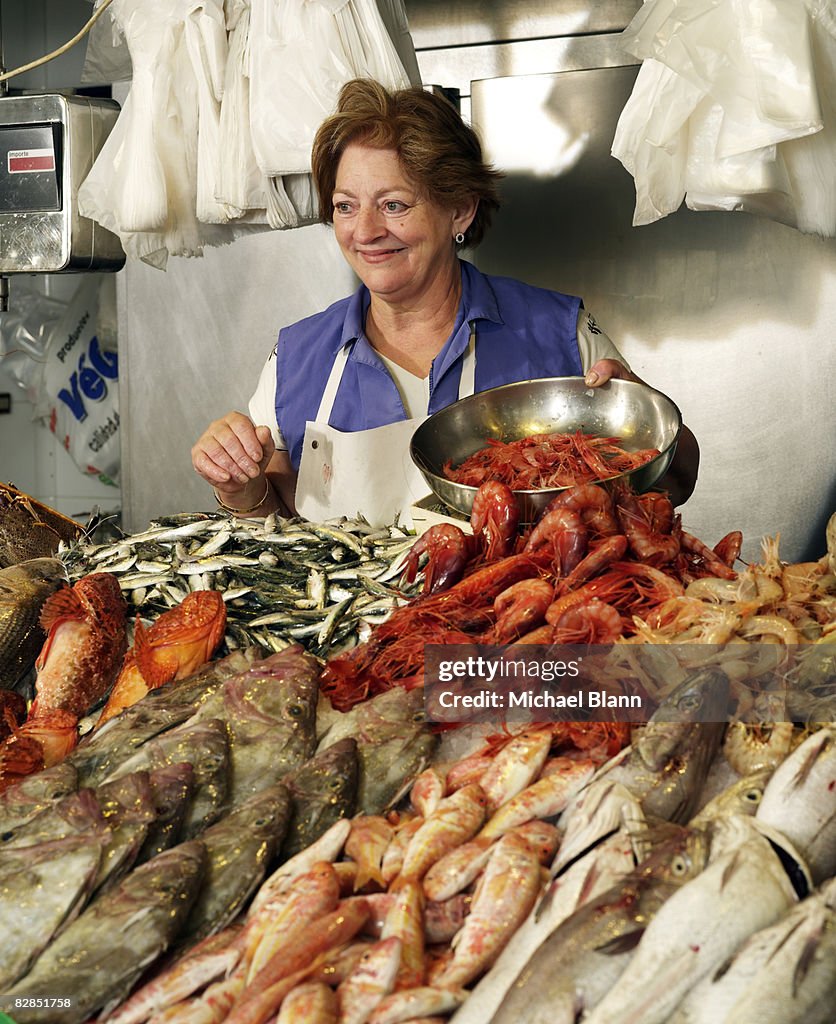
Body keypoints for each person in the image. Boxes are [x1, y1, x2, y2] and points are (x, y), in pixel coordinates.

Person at [192, 78, 699, 523]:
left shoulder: (557, 331)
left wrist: (647, 415)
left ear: (459, 210)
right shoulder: (297, 357)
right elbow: (274, 520)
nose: (365, 231)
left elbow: (676, 483)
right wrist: (239, 486)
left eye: (393, 205)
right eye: (346, 206)